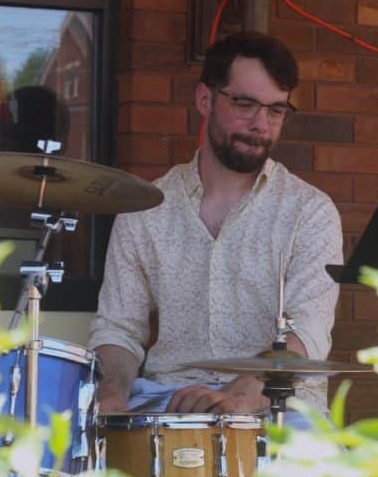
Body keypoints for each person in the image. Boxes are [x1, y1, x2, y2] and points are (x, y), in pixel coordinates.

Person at [89, 31, 342, 420]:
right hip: (167, 404)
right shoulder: (145, 208)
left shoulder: (309, 211)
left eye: (276, 110)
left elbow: (307, 335)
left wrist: (236, 397)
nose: (261, 124)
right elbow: (118, 330)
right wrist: (110, 393)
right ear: (205, 99)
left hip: (279, 410)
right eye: (245, 103)